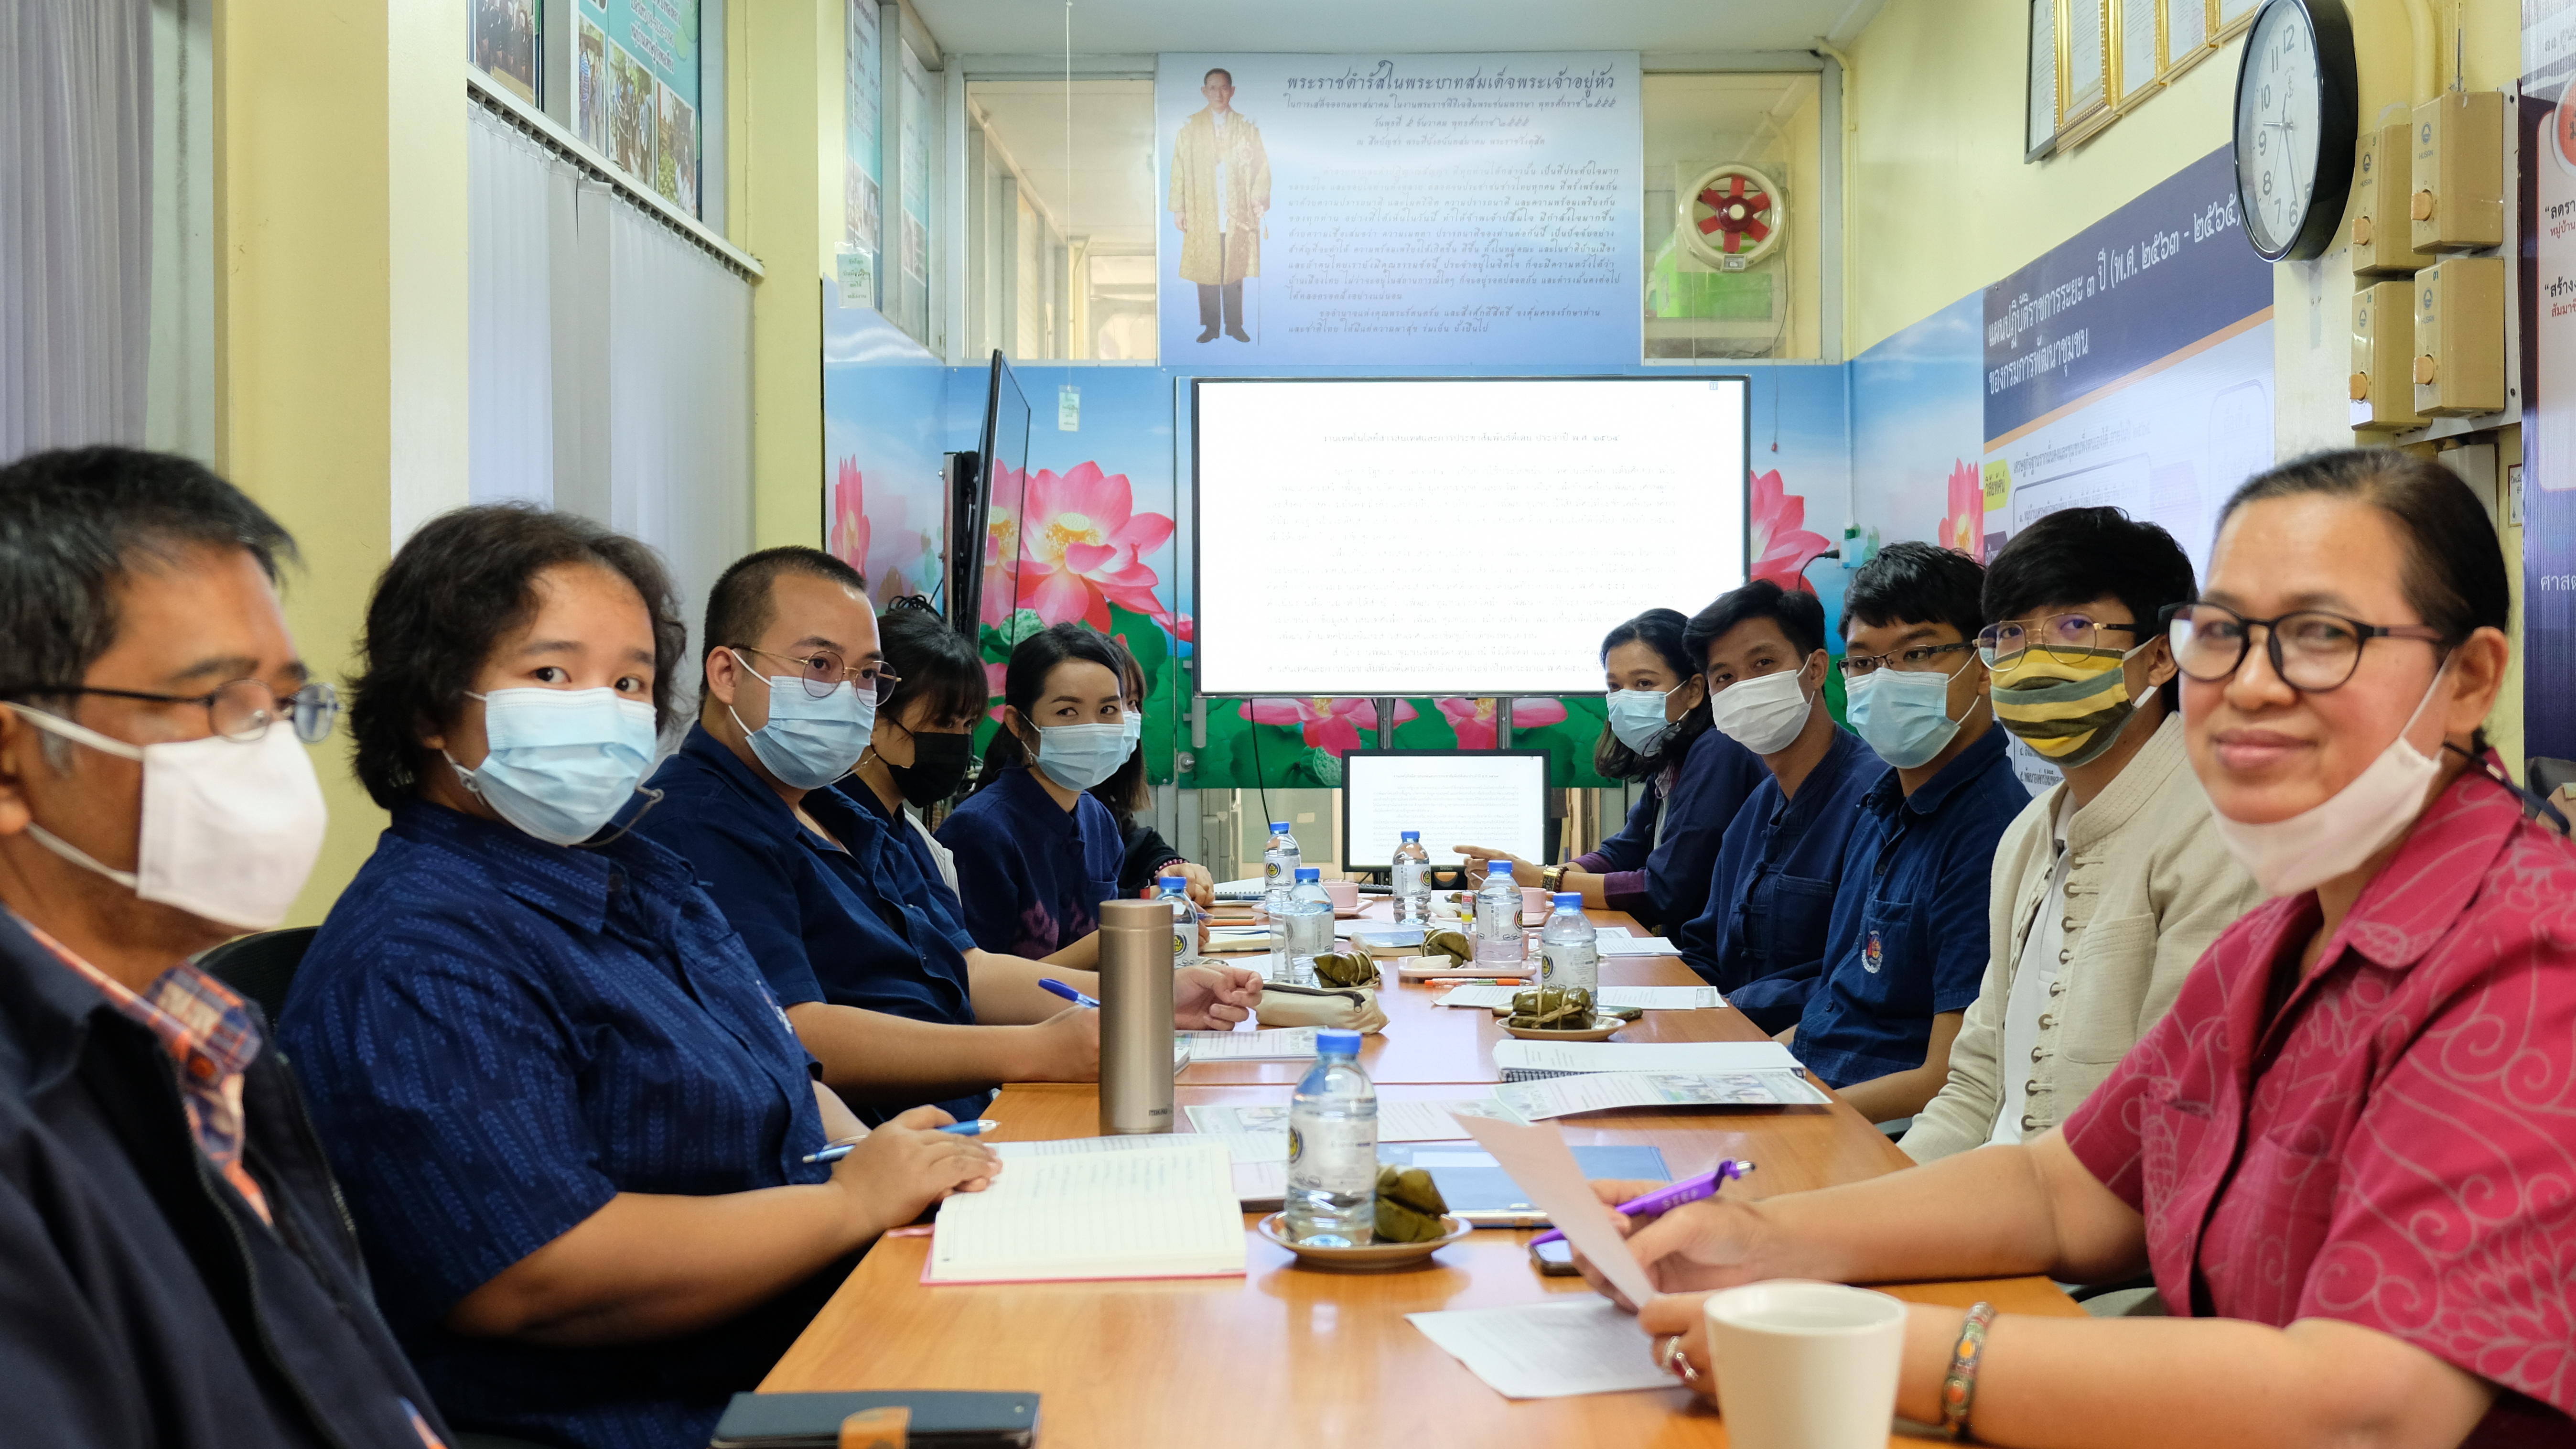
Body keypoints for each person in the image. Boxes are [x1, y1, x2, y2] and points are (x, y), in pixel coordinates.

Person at [1585, 449, 2573, 1447]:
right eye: (2222, 635)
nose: (2249, 685)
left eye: (2320, 636)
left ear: (2470, 678)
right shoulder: (2285, 932)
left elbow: (2370, 1408)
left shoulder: (2533, 954)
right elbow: (2066, 1188)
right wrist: (1758, 1240)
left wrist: (1860, 1341)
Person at [277, 508, 1000, 1449]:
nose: (605, 709)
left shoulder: (635, 866)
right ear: (426, 706)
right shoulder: (419, 954)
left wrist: (879, 1154)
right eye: (550, 673)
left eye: (628, 681)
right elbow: (537, 1270)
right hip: (649, 1415)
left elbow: (777, 1053)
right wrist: (846, 1202)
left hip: (813, 1334)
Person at [0, 447, 451, 1448]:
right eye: (218, 703)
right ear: (11, 763)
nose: (271, 754)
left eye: (281, 705)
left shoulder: (209, 1035)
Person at [635, 549, 1259, 1124]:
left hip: (979, 1113)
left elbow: (967, 970)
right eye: (820, 666)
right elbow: (796, 1032)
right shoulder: (699, 823)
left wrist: (1149, 997)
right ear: (725, 672)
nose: (850, 696)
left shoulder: (847, 810)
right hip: (901, 1144)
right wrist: (1029, 1051)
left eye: (867, 677)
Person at [1900, 508, 2261, 1163]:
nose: (2033, 659)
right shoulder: (2023, 838)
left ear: (2159, 656)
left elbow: (2169, 1131)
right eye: (2010, 632)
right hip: (1985, 1205)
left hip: (2098, 1248)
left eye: (2073, 626)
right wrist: (1880, 1202)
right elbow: (1974, 1087)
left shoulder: (2219, 830)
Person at [1791, 541, 2026, 1125]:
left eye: (1918, 652)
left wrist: (1783, 1111)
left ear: (1985, 666)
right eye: (1865, 662)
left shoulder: (1992, 833)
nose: (1884, 679)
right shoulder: (1881, 804)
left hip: (1879, 1134)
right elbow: (1838, 1006)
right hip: (1815, 1092)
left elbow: (1946, 1080)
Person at [1456, 609, 1766, 933]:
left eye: (1644, 683)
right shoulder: (1670, 757)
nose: (1624, 699)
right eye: (1615, 686)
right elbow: (1623, 852)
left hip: (1712, 963)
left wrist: (1542, 879)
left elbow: (1664, 891)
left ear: (1693, 691)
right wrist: (1540, 876)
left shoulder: (1718, 750)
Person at [1672, 580, 1878, 1030]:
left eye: (1763, 663)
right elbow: (1705, 948)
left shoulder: (1875, 800)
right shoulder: (1756, 808)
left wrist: (1725, 1016)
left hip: (1813, 1053)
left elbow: (1855, 978)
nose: (1744, 687)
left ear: (1816, 669)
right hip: (1728, 1036)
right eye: (1724, 677)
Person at [938, 622, 1134, 959]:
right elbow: (977, 987)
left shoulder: (1099, 819)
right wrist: (1123, 935)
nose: (1094, 729)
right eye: (1067, 712)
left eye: (1108, 710)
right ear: (1018, 724)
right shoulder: (978, 831)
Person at [1090, 634, 1217, 903]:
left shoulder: (1093, 796)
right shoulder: (1000, 820)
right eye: (1109, 707)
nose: (1122, 720)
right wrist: (1149, 899)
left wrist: (1169, 867)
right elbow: (1071, 910)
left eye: (1132, 704)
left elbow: (1134, 842)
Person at [1169, 66, 1270, 344]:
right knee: (1208, 266)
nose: (1218, 93)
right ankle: (1211, 327)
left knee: (1234, 267)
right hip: (1204, 210)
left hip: (1236, 209)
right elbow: (1178, 169)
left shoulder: (1247, 129)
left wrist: (1258, 199)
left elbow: (1261, 167)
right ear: (1204, 92)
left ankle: (1234, 325)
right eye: (1212, 88)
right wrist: (1180, 208)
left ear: (1232, 91)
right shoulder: (1189, 131)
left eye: (1224, 87)